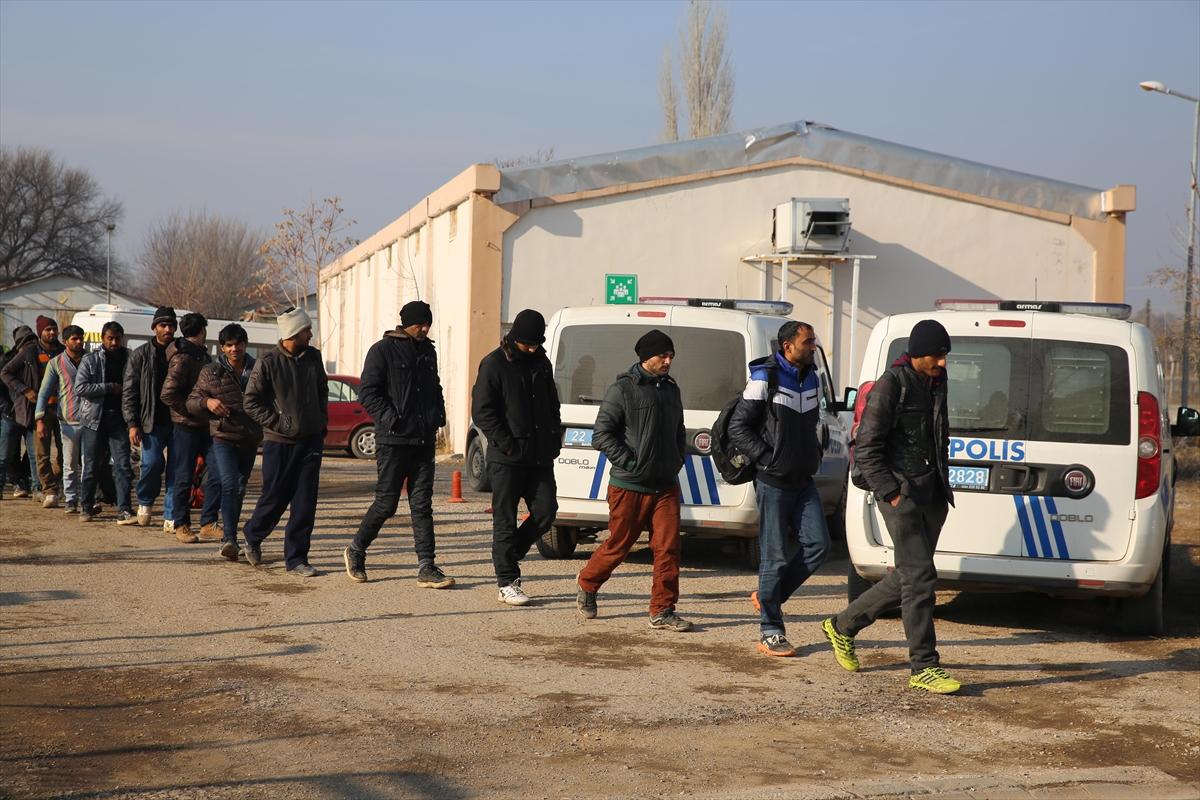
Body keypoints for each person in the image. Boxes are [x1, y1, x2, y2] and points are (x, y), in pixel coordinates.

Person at [820, 319, 961, 694]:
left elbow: (939, 433)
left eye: (945, 356)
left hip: (932, 493)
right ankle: (924, 666)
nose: (942, 363)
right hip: (900, 493)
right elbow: (866, 447)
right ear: (917, 353)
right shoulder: (890, 386)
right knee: (920, 580)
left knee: (911, 573)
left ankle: (842, 625)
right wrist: (891, 493)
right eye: (936, 356)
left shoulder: (936, 382)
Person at [576, 329, 692, 632]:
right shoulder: (622, 390)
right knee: (618, 545)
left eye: (671, 356)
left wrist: (676, 459)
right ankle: (588, 583)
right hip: (629, 485)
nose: (668, 361)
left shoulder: (671, 389)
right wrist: (630, 462)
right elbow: (602, 435)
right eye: (662, 356)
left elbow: (679, 430)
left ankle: (662, 610)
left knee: (668, 549)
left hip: (665, 485)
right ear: (645, 358)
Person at [728, 320, 830, 657]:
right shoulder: (764, 377)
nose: (813, 346)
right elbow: (738, 428)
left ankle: (769, 596)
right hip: (773, 482)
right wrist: (768, 459)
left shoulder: (812, 377)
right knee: (773, 558)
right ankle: (771, 629)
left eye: (813, 340)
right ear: (788, 345)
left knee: (818, 546)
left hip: (803, 480)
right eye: (808, 341)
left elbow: (815, 424)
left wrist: (814, 453)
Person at [343, 300, 454, 587]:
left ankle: (427, 566)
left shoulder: (429, 351)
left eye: (428, 323)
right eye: (420, 324)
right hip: (393, 441)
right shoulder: (382, 351)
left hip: (423, 440)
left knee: (422, 505)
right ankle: (356, 550)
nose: (425, 328)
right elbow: (368, 392)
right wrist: (391, 419)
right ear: (406, 323)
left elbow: (435, 387)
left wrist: (438, 415)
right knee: (386, 504)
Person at [470, 309, 561, 606]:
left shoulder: (542, 363)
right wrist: (506, 444)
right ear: (514, 339)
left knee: (547, 511)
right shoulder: (494, 364)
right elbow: (483, 412)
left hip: (539, 457)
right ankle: (507, 582)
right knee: (505, 521)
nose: (532, 349)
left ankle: (509, 554)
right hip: (506, 458)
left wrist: (553, 440)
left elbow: (552, 403)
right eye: (527, 344)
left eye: (536, 344)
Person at [242, 307, 328, 578]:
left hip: (310, 442)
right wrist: (278, 423)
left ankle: (297, 558)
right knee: (275, 498)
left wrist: (320, 422)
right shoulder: (268, 362)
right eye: (306, 330)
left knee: (305, 503)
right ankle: (253, 536)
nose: (310, 334)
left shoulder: (314, 358)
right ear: (293, 333)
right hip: (279, 443)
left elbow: (322, 391)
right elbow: (250, 402)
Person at [187, 323, 262, 561]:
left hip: (250, 439)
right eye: (229, 345)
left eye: (238, 344)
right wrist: (206, 403)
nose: (234, 349)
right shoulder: (211, 371)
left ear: (245, 344)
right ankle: (228, 538)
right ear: (222, 347)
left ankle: (230, 536)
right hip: (222, 437)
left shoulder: (258, 368)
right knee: (229, 484)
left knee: (239, 488)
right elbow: (192, 400)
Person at [160, 312, 221, 544]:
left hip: (205, 425)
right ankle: (181, 524)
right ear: (202, 331)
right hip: (185, 427)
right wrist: (187, 411)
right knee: (183, 477)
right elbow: (168, 393)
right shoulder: (183, 357)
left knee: (217, 470)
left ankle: (207, 523)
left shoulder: (200, 355)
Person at [122, 307, 179, 529]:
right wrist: (132, 423)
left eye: (171, 325)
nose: (167, 329)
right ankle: (145, 501)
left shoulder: (181, 353)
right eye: (163, 325)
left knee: (177, 469)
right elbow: (130, 392)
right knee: (152, 463)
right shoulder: (140, 355)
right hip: (150, 422)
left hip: (179, 421)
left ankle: (171, 515)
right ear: (154, 327)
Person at [76, 321, 135, 524]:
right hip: (94, 420)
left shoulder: (130, 358)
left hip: (120, 420)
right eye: (110, 338)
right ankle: (86, 506)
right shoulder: (90, 360)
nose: (114, 342)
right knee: (92, 465)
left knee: (123, 465)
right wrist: (109, 387)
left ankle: (124, 509)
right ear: (102, 339)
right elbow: (81, 388)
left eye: (118, 338)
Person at [2, 315, 64, 507]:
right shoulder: (29, 352)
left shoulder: (64, 351)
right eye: (48, 329)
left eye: (54, 328)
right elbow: (5, 373)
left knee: (65, 455)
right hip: (33, 411)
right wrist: (25, 390)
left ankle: (46, 485)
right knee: (33, 453)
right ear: (41, 332)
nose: (52, 332)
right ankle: (44, 489)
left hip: (62, 410)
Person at [34, 325, 88, 514]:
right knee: (70, 463)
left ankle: (87, 501)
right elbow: (43, 393)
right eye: (74, 338)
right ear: (65, 342)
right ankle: (71, 499)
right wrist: (39, 418)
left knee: (88, 463)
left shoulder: (91, 360)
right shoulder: (56, 363)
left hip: (91, 421)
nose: (79, 342)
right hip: (68, 421)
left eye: (81, 338)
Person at [0, 325, 36, 500]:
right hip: (11, 415)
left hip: (32, 415)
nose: (31, 345)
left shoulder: (37, 359)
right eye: (27, 342)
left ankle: (25, 480)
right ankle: (15, 482)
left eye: (33, 341)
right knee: (6, 454)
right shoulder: (7, 362)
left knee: (33, 453)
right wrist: (7, 408)